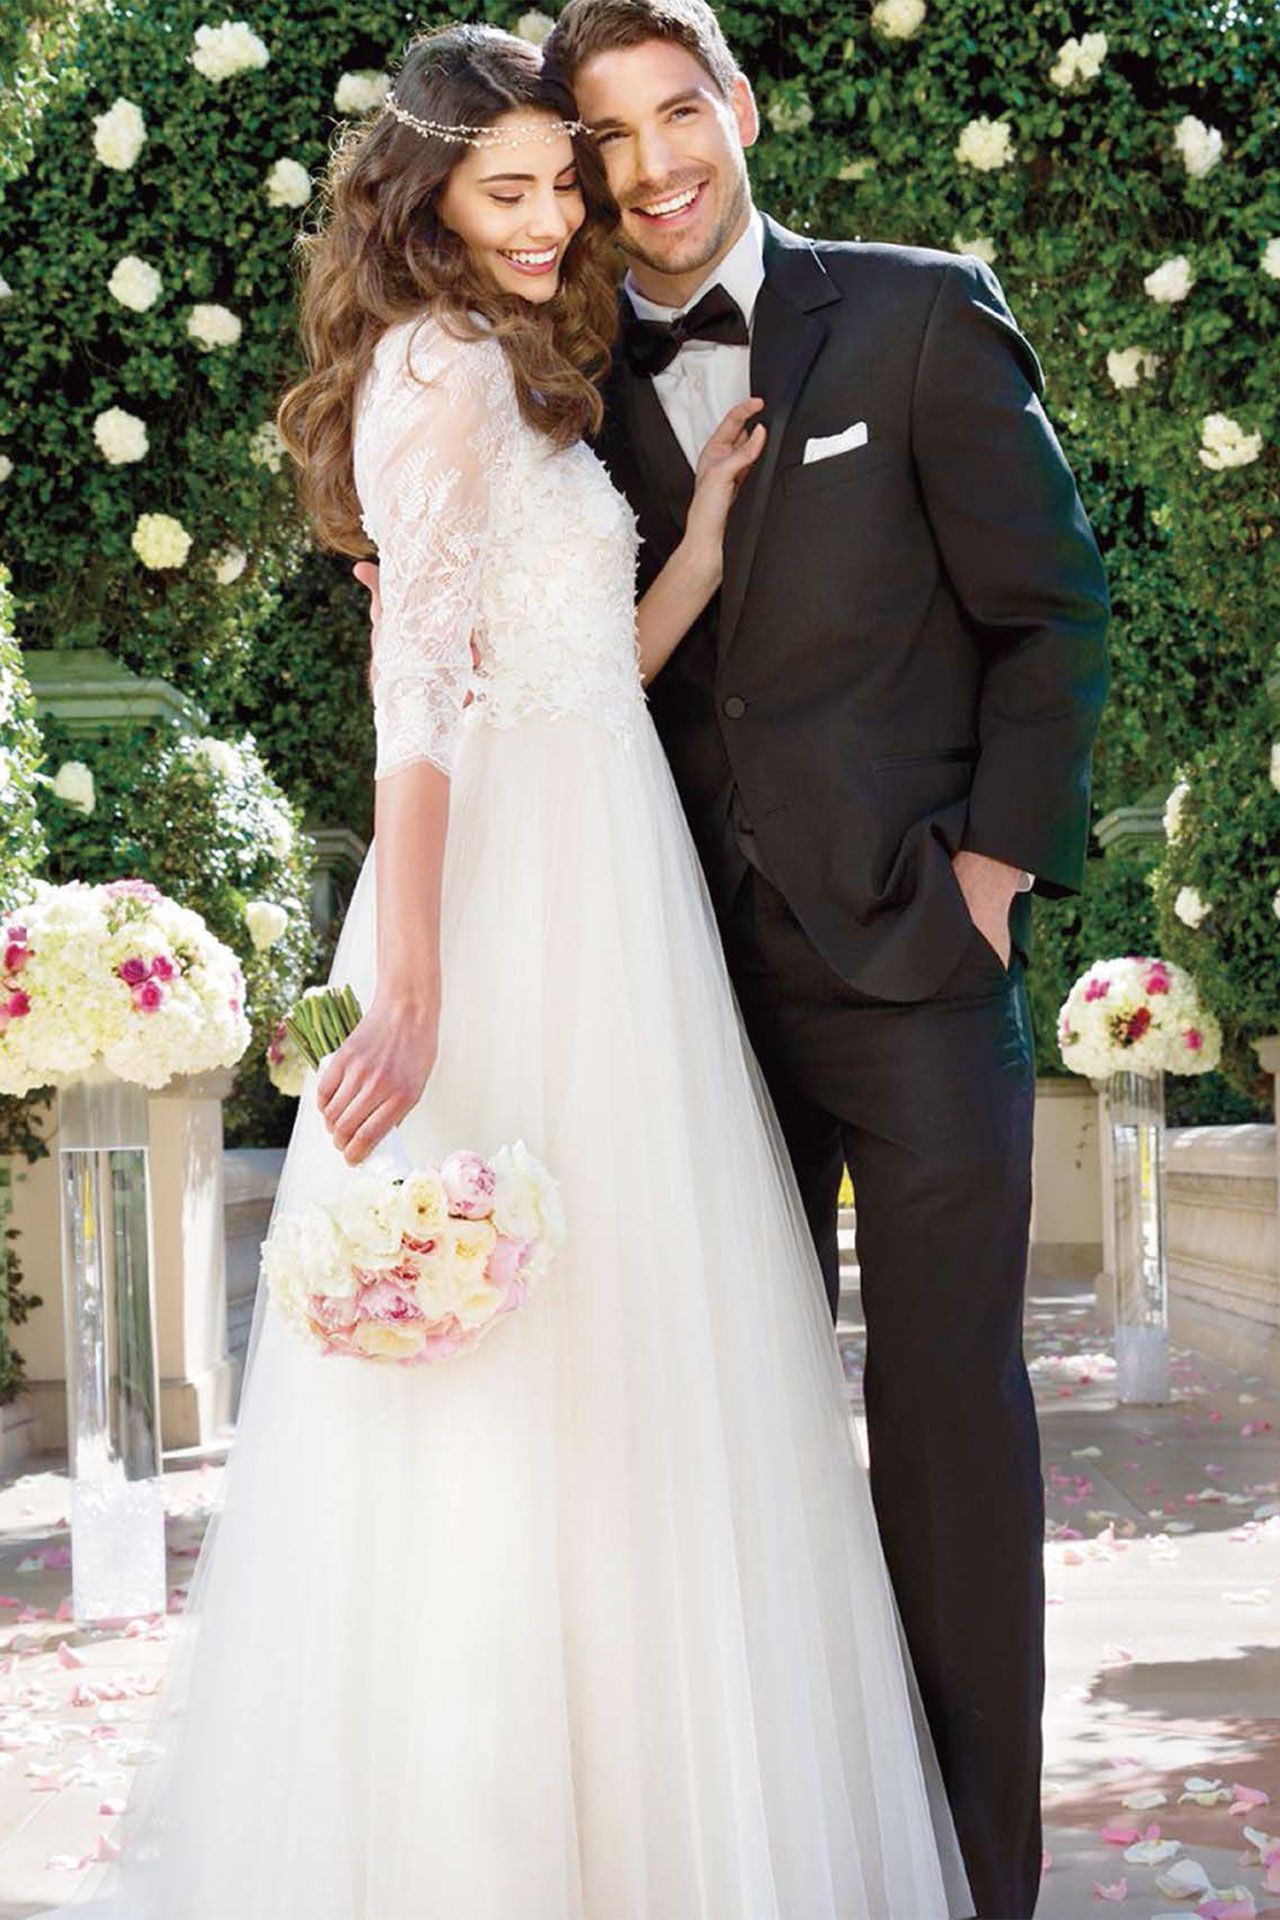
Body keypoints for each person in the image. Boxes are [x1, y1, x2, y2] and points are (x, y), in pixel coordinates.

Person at [32, 24, 974, 1920]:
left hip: (612, 871)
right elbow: (419, 695)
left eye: (565, 185)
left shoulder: (522, 364)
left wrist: (707, 537)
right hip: (502, 897)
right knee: (512, 1365)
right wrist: (414, 981)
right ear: (430, 200)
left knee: (637, 1339)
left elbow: (590, 666)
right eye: (511, 191)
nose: (553, 221)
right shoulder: (433, 369)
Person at [532, 7, 1111, 1917]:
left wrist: (993, 878)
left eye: (677, 112)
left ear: (742, 109)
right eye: (608, 136)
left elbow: (1051, 618)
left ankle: (983, 1885)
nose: (654, 166)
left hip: (920, 965)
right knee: (729, 1447)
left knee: (946, 1433)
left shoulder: (921, 314)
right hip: (682, 990)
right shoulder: (551, 370)